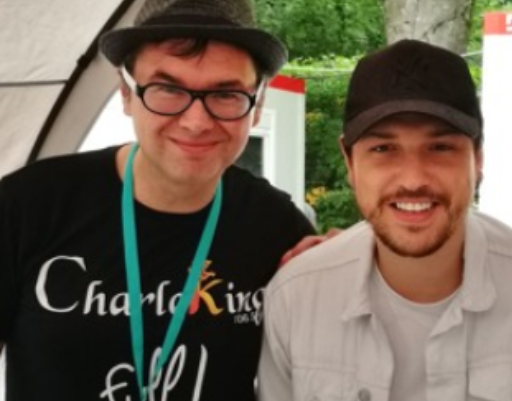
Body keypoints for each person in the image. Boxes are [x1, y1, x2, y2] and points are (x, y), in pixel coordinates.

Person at [257, 39, 512, 400]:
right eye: (383, 149)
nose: (413, 179)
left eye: (441, 147)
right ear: (349, 162)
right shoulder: (296, 300)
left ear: (478, 158)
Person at [0, 0, 315, 399]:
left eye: (226, 94)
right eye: (168, 89)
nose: (196, 122)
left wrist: (350, 263)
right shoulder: (30, 204)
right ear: (126, 94)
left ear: (257, 105)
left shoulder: (277, 227)